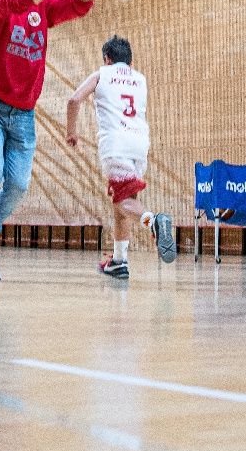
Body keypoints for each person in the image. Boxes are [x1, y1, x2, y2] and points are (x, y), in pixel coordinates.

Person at [0, 0, 101, 283]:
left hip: (24, 112)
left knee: (18, 183)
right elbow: (18, 1)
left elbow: (80, 4)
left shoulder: (44, 8)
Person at [65, 35, 175, 280]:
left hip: (116, 146)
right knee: (124, 200)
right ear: (131, 62)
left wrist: (71, 132)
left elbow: (74, 100)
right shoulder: (140, 79)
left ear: (107, 59)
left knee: (120, 202)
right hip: (139, 145)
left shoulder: (101, 74)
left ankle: (153, 221)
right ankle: (119, 261)